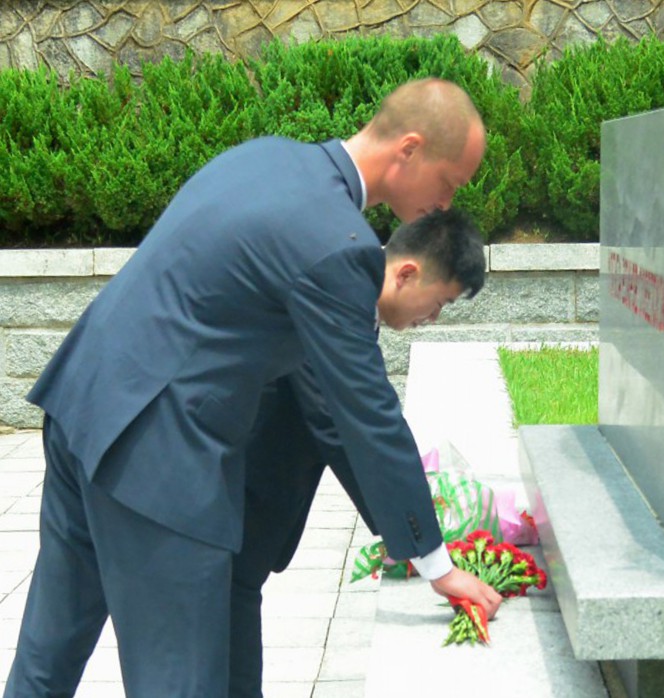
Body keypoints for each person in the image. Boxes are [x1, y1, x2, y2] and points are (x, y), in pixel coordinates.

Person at [5, 77, 501, 698]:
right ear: (409, 149)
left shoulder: (264, 157)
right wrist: (435, 561)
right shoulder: (337, 246)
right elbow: (365, 414)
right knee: (182, 684)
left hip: (84, 405)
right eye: (450, 182)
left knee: (46, 660)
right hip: (155, 457)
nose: (448, 202)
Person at [230, 209, 485, 697]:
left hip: (241, 520)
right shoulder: (330, 290)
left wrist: (402, 526)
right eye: (439, 303)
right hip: (205, 500)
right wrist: (435, 562)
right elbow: (351, 424)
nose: (432, 319)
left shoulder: (351, 295)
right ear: (408, 272)